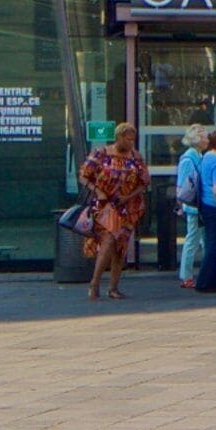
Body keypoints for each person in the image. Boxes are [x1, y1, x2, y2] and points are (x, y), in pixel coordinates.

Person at [77, 125, 148, 300]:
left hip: (128, 206)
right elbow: (83, 175)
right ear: (118, 137)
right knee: (108, 239)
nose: (130, 143)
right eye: (127, 139)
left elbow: (144, 182)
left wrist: (128, 196)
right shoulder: (102, 153)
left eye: (133, 139)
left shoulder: (136, 158)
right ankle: (94, 283)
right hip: (105, 205)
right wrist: (97, 190)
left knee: (120, 246)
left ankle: (113, 287)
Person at [174, 127, 216, 293]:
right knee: (196, 240)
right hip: (197, 206)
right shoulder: (189, 158)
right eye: (203, 137)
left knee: (207, 241)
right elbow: (184, 184)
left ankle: (213, 276)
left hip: (203, 205)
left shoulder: (203, 157)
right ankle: (188, 276)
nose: (207, 140)